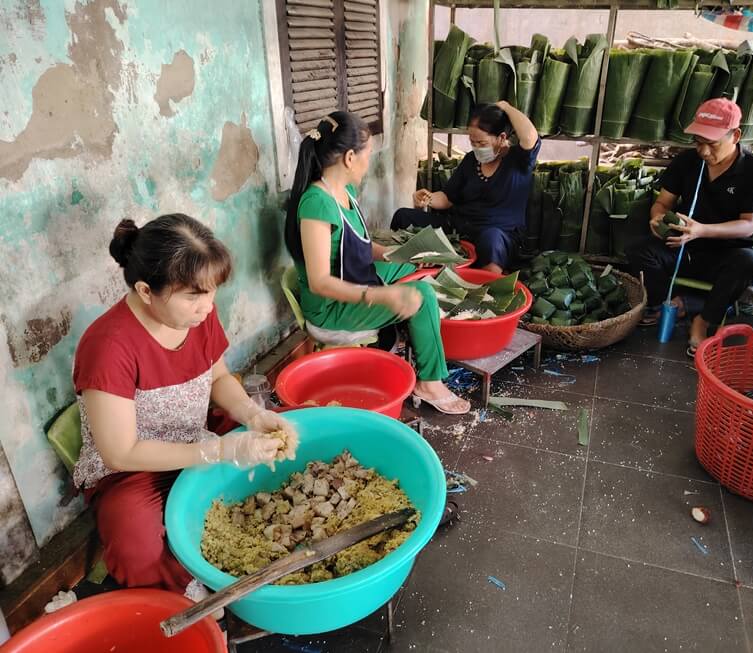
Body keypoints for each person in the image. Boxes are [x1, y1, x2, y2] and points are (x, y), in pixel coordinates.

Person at [73, 214, 298, 597]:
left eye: (211, 292)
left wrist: (251, 413)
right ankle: (187, 598)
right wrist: (218, 450)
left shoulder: (197, 317)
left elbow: (219, 378)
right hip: (134, 467)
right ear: (146, 291)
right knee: (136, 546)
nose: (208, 307)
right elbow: (120, 452)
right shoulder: (108, 347)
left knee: (288, 428)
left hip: (197, 433)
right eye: (194, 295)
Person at [284, 111, 470, 416]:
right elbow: (319, 282)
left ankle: (410, 331)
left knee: (413, 269)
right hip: (330, 309)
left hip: (352, 279)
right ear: (348, 158)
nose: (368, 162)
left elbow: (357, 245)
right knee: (421, 296)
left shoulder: (344, 192)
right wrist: (380, 295)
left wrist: (395, 255)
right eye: (367, 155)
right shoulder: (316, 204)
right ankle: (430, 382)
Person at [626, 99, 753, 356]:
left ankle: (703, 319)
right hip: (683, 246)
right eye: (698, 142)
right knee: (639, 249)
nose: (704, 151)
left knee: (746, 262)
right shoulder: (688, 161)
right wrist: (657, 218)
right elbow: (662, 202)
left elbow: (749, 225)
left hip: (726, 253)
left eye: (712, 143)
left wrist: (702, 230)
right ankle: (667, 305)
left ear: (735, 135)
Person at [392, 101, 541, 274]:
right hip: (459, 230)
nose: (477, 148)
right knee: (403, 217)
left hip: (500, 237)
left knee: (490, 240)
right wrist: (428, 198)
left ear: (501, 138)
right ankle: (400, 270)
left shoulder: (518, 161)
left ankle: (485, 283)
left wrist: (506, 107)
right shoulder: (471, 161)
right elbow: (448, 198)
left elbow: (530, 136)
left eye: (482, 143)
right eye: (472, 142)